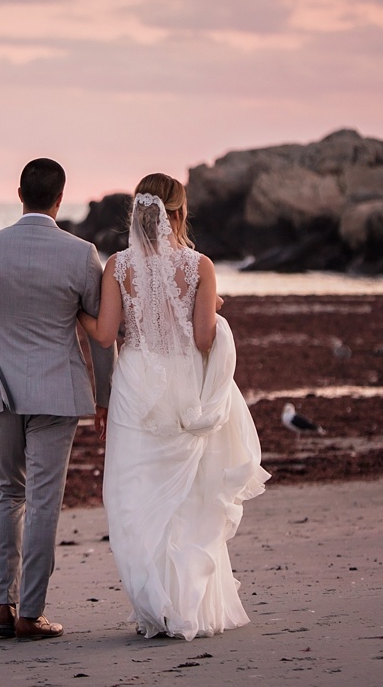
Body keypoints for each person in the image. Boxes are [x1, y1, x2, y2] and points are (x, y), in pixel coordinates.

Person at [78, 173, 269, 640]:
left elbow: (104, 336)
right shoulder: (200, 265)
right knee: (190, 497)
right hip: (185, 385)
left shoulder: (118, 267)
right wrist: (214, 308)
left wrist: (71, 311)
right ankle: (189, 603)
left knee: (135, 495)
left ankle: (157, 605)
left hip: (137, 384)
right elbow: (204, 337)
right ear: (179, 214)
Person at [0, 158, 115, 640]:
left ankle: (3, 607)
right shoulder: (82, 254)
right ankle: (32, 613)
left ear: (19, 192)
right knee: (44, 501)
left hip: (0, 388)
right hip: (58, 392)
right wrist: (104, 397)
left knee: (5, 492)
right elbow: (101, 335)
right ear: (61, 198)